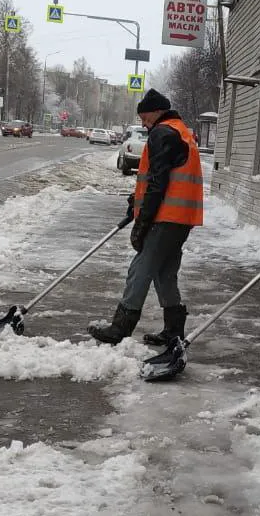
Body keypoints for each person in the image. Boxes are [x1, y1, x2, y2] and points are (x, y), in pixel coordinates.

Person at [89, 89, 203, 346]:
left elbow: (158, 182)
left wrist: (142, 222)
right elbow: (163, 177)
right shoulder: (180, 131)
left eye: (144, 117)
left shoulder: (162, 133)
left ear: (156, 112)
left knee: (140, 269)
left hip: (166, 217)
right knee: (164, 272)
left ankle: (120, 328)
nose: (143, 124)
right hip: (182, 218)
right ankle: (174, 329)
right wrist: (136, 202)